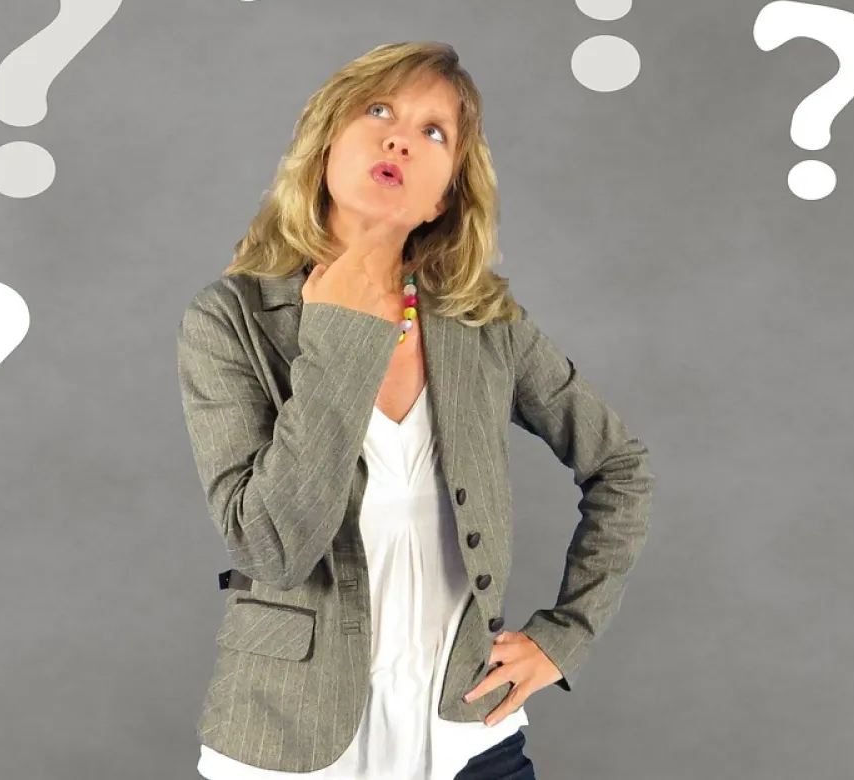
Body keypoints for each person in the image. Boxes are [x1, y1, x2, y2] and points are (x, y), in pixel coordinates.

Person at [176, 41, 655, 779]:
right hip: (283, 746)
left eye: (434, 131)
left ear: (445, 197)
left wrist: (566, 636)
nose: (400, 138)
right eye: (378, 111)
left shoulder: (484, 324)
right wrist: (342, 334)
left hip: (468, 736)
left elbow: (620, 467)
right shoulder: (228, 320)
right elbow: (272, 549)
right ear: (326, 145)